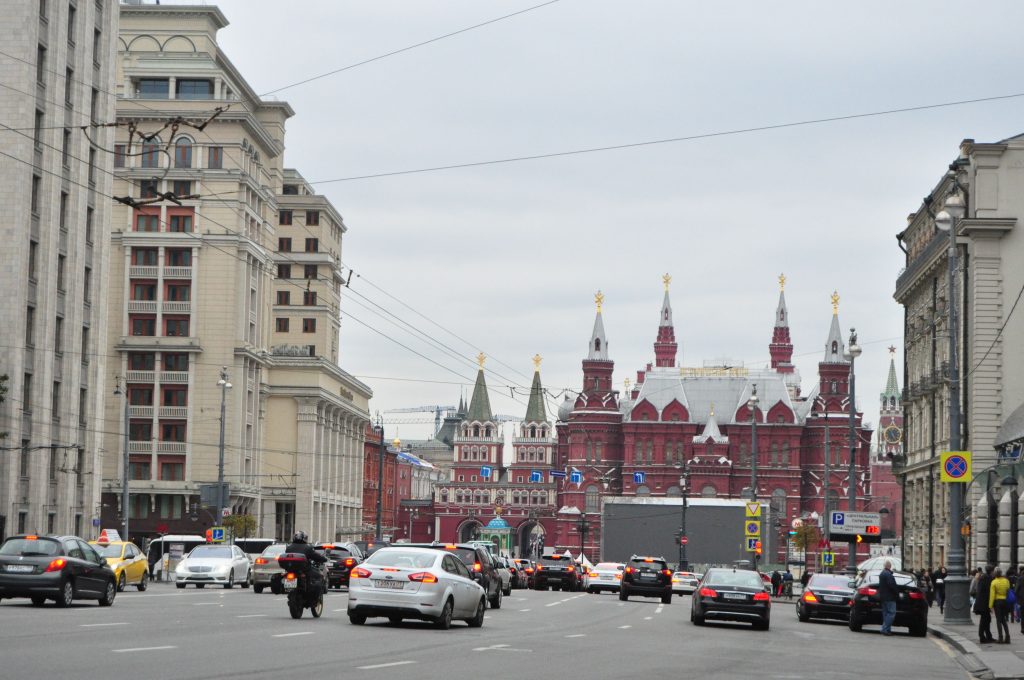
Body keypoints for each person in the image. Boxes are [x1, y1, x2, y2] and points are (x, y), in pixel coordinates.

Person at [878, 559, 899, 636]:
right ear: (889, 566)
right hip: (890, 597)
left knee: (886, 614)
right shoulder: (888, 574)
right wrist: (897, 593)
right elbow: (892, 585)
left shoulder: (882, 573)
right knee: (891, 613)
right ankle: (885, 629)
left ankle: (887, 630)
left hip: (883, 597)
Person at [975, 565, 995, 644]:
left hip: (982, 602)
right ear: (991, 571)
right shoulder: (987, 578)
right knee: (984, 620)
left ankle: (988, 636)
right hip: (983, 603)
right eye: (993, 571)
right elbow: (988, 592)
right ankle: (982, 637)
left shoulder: (984, 577)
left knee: (987, 619)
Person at [991, 567, 1011, 644]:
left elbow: (992, 595)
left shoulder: (994, 582)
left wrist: (990, 606)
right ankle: (1008, 637)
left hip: (997, 602)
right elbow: (1008, 590)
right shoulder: (1006, 581)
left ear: (995, 574)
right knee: (1003, 620)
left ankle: (1000, 638)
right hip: (1005, 601)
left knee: (998, 620)